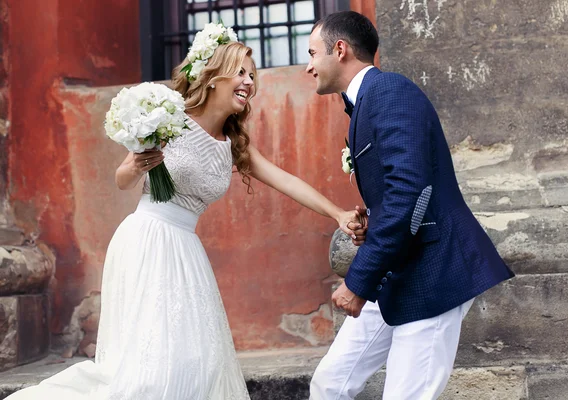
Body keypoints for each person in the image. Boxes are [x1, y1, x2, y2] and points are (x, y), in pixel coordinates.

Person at [7, 24, 364, 400]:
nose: (249, 82)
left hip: (186, 253)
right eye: (240, 72)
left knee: (199, 363)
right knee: (150, 368)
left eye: (253, 76)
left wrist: (338, 213)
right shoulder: (169, 121)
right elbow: (122, 179)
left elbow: (286, 181)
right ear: (213, 78)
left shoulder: (233, 144)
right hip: (147, 240)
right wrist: (138, 165)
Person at [306, 11, 515, 400]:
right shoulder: (365, 102)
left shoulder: (389, 91)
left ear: (340, 50)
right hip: (396, 266)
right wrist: (375, 221)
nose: (308, 66)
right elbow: (402, 193)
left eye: (312, 54)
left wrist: (358, 280)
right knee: (329, 384)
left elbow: (411, 193)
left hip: (433, 269)